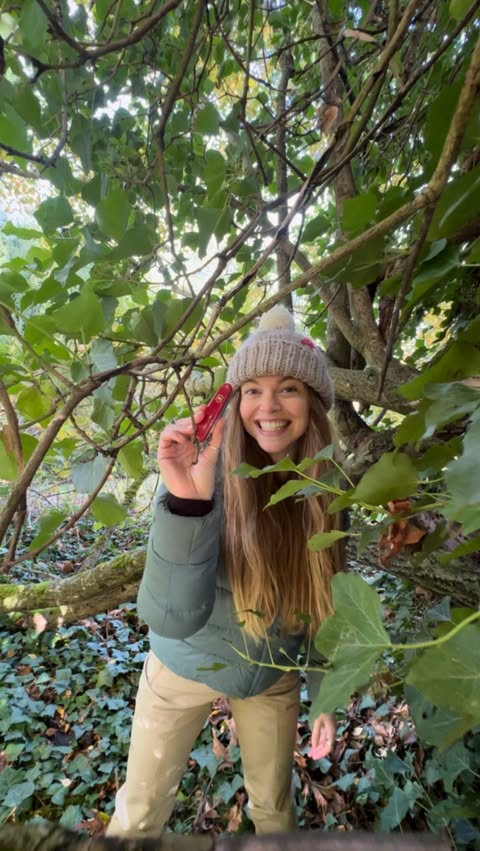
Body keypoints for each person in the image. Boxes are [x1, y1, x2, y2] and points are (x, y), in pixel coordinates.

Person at [106, 305, 345, 839]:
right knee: (139, 814)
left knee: (275, 813)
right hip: (182, 666)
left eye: (289, 388)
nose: (269, 406)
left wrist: (326, 693)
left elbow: (329, 602)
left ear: (314, 403)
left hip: (270, 670)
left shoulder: (329, 492)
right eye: (253, 389)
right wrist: (189, 505)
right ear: (235, 400)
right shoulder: (203, 471)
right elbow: (171, 615)